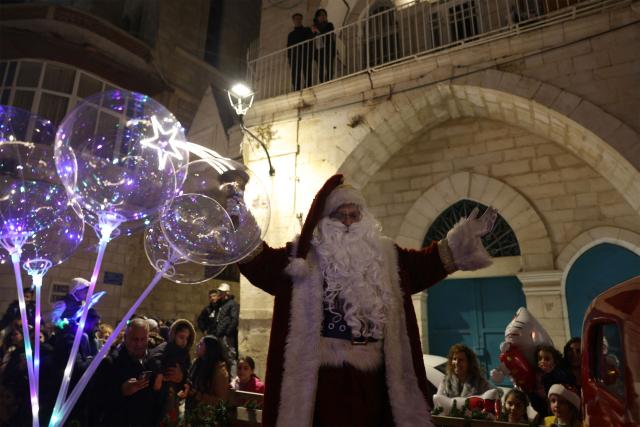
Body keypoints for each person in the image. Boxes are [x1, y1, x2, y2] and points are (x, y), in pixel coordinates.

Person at [238, 174, 498, 426]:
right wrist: (236, 221)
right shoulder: (304, 258)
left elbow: (427, 264)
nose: (348, 222)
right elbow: (263, 265)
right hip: (321, 380)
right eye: (340, 216)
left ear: (364, 218)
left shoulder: (386, 257)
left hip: (375, 378)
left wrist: (460, 241)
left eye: (354, 215)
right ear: (325, 220)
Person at [91, 318, 162, 427]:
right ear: (125, 338)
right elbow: (96, 400)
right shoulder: (110, 363)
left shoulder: (153, 362)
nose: (138, 344)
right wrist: (121, 391)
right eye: (134, 339)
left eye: (143, 339)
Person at [150, 319, 195, 427]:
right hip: (162, 392)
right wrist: (160, 374)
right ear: (174, 335)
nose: (184, 341)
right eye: (181, 337)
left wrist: (184, 380)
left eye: (187, 338)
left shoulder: (185, 354)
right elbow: (154, 357)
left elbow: (187, 371)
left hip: (175, 393)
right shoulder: (166, 347)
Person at [183, 335, 231, 426]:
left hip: (207, 418)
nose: (197, 345)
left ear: (209, 349)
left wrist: (198, 395)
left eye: (201, 344)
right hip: (192, 412)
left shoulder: (219, 370)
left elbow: (220, 400)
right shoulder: (197, 362)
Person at [531, 344, 573, 417]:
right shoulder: (537, 374)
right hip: (543, 408)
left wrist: (549, 373)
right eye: (540, 358)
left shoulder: (559, 373)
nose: (542, 361)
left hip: (558, 410)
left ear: (555, 361)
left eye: (547, 359)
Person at [287, 13, 314, 90]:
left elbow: (311, 41)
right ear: (293, 20)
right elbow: (289, 48)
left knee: (307, 72)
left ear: (301, 20)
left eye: (299, 19)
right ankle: (296, 89)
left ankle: (308, 87)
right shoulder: (291, 35)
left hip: (306, 55)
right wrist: (290, 60)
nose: (298, 20)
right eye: (296, 19)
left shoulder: (307, 30)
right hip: (295, 57)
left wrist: (311, 54)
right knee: (295, 75)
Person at [214, 283, 239, 363]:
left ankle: (233, 375)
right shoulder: (222, 304)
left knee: (230, 358)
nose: (219, 293)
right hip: (220, 335)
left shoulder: (232, 304)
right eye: (220, 291)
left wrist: (227, 334)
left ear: (227, 293)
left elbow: (234, 319)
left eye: (222, 292)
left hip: (227, 337)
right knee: (223, 358)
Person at [311, 8, 336, 83]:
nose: (322, 16)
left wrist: (318, 30)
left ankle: (329, 80)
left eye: (324, 15)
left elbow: (328, 33)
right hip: (319, 50)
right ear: (317, 17)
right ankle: (322, 82)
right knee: (321, 67)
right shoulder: (314, 27)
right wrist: (314, 31)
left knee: (329, 66)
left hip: (328, 49)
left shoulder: (329, 25)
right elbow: (311, 39)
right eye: (320, 15)